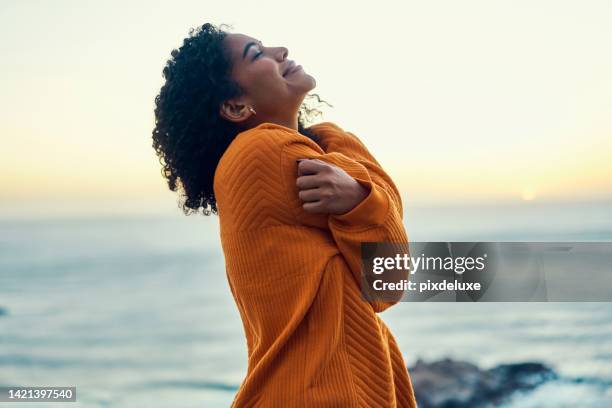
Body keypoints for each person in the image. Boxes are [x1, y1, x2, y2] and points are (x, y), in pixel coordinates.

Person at [152, 22, 416, 408]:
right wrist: (363, 196)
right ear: (235, 106)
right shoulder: (267, 151)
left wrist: (352, 182)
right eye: (257, 54)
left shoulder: (268, 155)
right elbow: (388, 279)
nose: (281, 50)